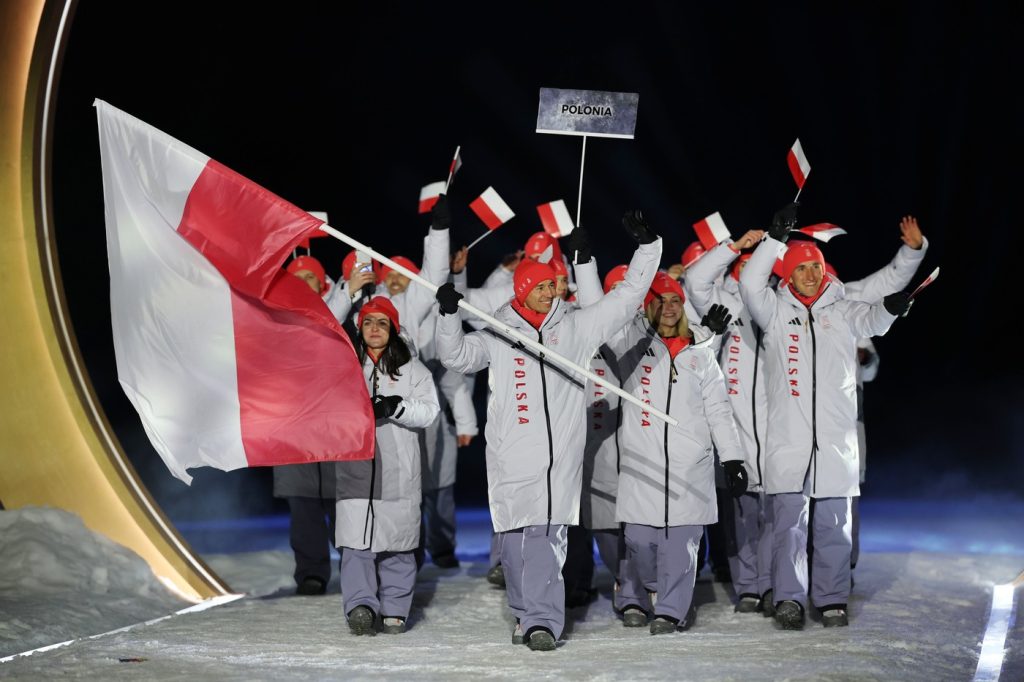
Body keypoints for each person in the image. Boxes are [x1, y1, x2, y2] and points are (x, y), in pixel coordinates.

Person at [433, 210, 662, 651]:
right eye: (538, 287)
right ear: (521, 290)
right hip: (511, 456)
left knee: (543, 537)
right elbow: (457, 357)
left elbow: (629, 297)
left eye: (549, 286)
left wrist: (648, 248)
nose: (547, 292)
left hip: (559, 462)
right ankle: (524, 613)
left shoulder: (575, 328)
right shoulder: (500, 333)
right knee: (519, 541)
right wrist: (447, 316)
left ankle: (542, 621)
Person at [738, 202, 913, 630]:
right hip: (789, 441)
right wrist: (776, 240)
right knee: (788, 529)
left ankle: (832, 598)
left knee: (835, 525)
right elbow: (749, 279)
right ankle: (790, 599)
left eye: (815, 267)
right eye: (801, 269)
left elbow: (872, 318)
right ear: (788, 275)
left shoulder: (843, 308)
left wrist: (891, 309)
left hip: (836, 440)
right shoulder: (774, 312)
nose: (811, 274)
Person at [602, 270, 744, 634]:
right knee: (639, 541)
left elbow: (719, 410)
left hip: (689, 468)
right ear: (647, 306)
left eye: (675, 301)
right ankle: (652, 588)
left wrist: (732, 458)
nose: (669, 308)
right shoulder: (630, 346)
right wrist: (585, 263)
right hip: (641, 466)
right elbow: (604, 313)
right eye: (660, 301)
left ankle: (670, 610)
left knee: (681, 549)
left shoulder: (701, 356)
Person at [336, 296, 440, 635]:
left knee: (398, 542)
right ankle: (360, 605)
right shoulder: (346, 364)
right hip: (356, 468)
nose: (375, 329)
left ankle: (395, 606)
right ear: (360, 328)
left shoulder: (413, 369)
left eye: (382, 323)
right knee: (356, 541)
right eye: (368, 322)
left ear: (393, 329)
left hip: (398, 469)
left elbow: (430, 411)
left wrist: (397, 407)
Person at [684, 229, 774, 614]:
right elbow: (695, 279)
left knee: (777, 513)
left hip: (779, 425)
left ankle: (773, 584)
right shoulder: (724, 302)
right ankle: (748, 586)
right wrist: (733, 246)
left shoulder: (780, 303)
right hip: (734, 425)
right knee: (741, 514)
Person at [273, 255, 339, 596]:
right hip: (294, 428)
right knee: (302, 505)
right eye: (295, 279)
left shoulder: (339, 314)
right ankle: (312, 571)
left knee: (342, 502)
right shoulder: (274, 317)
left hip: (332, 425)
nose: (302, 285)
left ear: (322, 285)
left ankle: (359, 564)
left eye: (309, 279)